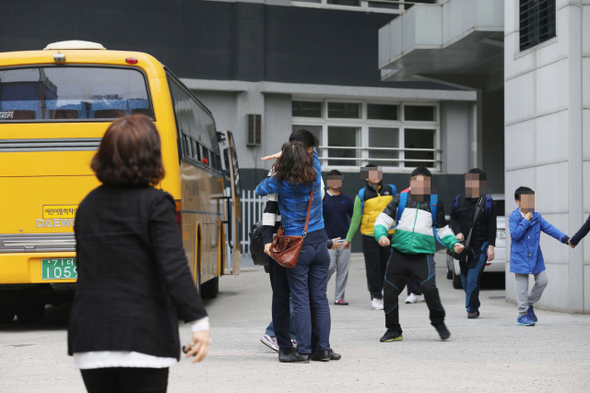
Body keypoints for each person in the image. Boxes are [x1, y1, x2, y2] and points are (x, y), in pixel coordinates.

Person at [68, 115, 210, 393]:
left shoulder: (87, 205)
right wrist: (198, 321)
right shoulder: (156, 203)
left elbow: (85, 269)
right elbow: (174, 266)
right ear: (151, 155)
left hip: (90, 337)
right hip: (143, 336)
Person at [256, 141, 339, 363]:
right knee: (287, 297)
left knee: (305, 298)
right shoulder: (306, 174)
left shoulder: (283, 179)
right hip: (286, 243)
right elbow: (269, 211)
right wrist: (266, 238)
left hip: (298, 242)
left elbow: (259, 189)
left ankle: (310, 347)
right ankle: (288, 345)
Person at [374, 167, 464, 342]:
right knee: (390, 293)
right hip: (399, 254)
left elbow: (442, 229)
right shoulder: (400, 199)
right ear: (410, 182)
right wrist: (381, 234)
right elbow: (382, 220)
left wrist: (454, 244)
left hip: (423, 256)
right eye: (416, 182)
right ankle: (393, 330)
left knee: (429, 289)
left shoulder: (434, 203)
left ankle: (438, 322)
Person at [259, 129, 321, 355]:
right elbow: (270, 206)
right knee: (282, 295)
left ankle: (307, 342)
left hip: (306, 239)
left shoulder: (313, 169)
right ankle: (281, 341)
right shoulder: (278, 169)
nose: (314, 154)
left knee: (306, 295)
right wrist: (267, 238)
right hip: (281, 240)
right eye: (311, 150)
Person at [509, 186, 570, 326]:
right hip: (519, 257)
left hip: (535, 256)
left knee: (543, 281)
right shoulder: (514, 217)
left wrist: (565, 238)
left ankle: (529, 304)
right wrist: (526, 220)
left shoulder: (537, 216)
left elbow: (549, 228)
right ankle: (522, 314)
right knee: (522, 287)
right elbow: (516, 235)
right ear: (518, 201)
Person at [343, 164, 397, 310]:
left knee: (389, 267)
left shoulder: (391, 189)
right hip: (370, 235)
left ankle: (388, 294)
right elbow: (356, 218)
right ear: (366, 177)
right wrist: (348, 239)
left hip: (390, 235)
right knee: (373, 267)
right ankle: (376, 296)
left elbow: (399, 211)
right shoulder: (361, 194)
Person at [450, 169, 497, 319]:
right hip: (464, 248)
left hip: (481, 247)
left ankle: (470, 309)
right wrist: (457, 231)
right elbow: (452, 217)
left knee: (472, 278)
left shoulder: (488, 202)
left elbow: (492, 225)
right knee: (465, 280)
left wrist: (491, 246)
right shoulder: (459, 200)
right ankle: (474, 305)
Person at [323, 170, 354, 305]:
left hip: (344, 242)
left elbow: (355, 219)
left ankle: (339, 297)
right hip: (328, 241)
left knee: (343, 271)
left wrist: (349, 237)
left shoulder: (346, 199)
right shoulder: (323, 199)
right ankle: (319, 294)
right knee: (328, 268)